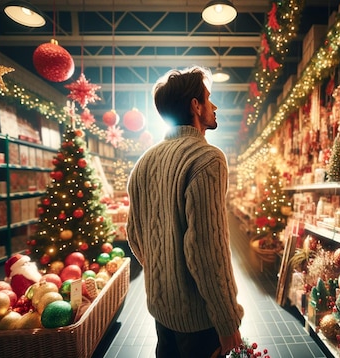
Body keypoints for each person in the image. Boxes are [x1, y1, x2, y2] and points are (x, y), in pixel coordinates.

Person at [126, 66, 244, 357]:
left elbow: (134, 234)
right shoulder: (206, 159)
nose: (214, 106)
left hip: (161, 310)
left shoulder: (144, 162)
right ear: (195, 105)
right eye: (208, 98)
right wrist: (229, 322)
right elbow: (208, 252)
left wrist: (165, 271)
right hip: (199, 321)